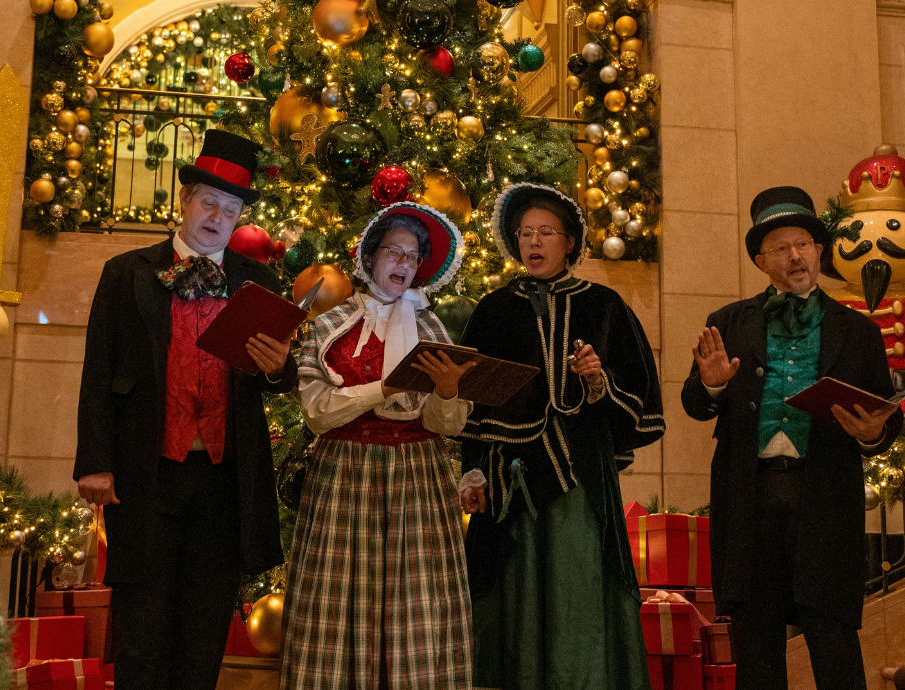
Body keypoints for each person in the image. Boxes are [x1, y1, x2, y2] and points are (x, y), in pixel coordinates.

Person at [74, 130, 298, 690]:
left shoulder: (258, 282)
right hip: (145, 474)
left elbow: (278, 381)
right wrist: (94, 463)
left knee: (204, 629)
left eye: (230, 210)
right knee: (142, 628)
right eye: (208, 203)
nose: (218, 218)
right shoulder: (125, 272)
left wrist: (277, 367)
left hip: (225, 481)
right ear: (184, 200)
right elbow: (98, 371)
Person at [681, 185, 904, 690]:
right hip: (749, 500)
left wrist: (874, 433)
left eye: (803, 243)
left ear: (819, 251)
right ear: (761, 261)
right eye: (781, 247)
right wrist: (712, 384)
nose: (795, 255)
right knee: (756, 644)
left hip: (824, 497)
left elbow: (886, 418)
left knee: (833, 638)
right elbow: (694, 404)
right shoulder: (727, 323)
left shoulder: (859, 330)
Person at [459, 182, 664, 690]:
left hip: (580, 475)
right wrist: (472, 471)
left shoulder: (605, 306)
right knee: (512, 589)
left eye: (546, 232)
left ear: (570, 241)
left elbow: (640, 401)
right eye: (525, 232)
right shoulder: (493, 310)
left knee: (578, 583)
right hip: (508, 482)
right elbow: (469, 402)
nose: (534, 241)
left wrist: (597, 382)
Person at [280, 202, 475, 690]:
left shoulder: (432, 330)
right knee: (337, 605)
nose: (403, 264)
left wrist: (447, 392)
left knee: (420, 606)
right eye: (394, 252)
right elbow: (318, 413)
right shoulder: (329, 326)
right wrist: (382, 389)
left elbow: (446, 425)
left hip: (419, 478)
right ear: (370, 257)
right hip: (345, 477)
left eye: (412, 256)